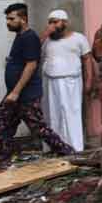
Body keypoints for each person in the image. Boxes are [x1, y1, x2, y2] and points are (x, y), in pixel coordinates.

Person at [0, 3, 74, 169]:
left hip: (26, 95)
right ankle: (3, 163)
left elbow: (31, 65)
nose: (7, 22)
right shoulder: (21, 36)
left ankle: (69, 154)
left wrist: (16, 92)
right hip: (16, 93)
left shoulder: (29, 37)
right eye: (7, 19)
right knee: (4, 124)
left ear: (23, 19)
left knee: (39, 128)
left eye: (11, 19)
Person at [40, 10, 93, 152]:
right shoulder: (47, 40)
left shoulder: (78, 38)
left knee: (72, 113)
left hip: (72, 82)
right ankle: (55, 146)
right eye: (50, 22)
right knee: (52, 113)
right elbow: (34, 51)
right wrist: (45, 35)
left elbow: (87, 59)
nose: (52, 25)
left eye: (55, 22)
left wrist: (89, 81)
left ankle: (75, 147)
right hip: (50, 82)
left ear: (65, 22)